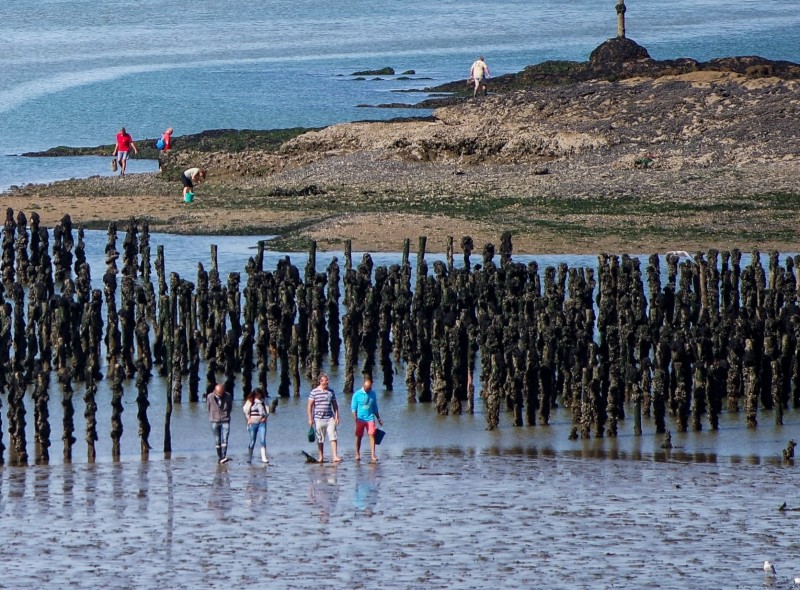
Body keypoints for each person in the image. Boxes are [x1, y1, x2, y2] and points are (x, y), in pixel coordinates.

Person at [307, 373, 342, 463]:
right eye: (325, 380)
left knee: (333, 437)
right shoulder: (314, 392)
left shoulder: (331, 391)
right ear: (320, 381)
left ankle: (334, 456)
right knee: (320, 438)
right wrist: (310, 418)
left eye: (327, 380)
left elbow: (335, 405)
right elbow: (309, 406)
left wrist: (337, 416)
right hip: (318, 418)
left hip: (330, 418)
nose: (327, 382)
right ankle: (320, 457)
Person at [351, 376, 383, 462]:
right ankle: (357, 453)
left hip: (370, 418)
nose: (368, 390)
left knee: (372, 435)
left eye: (369, 388)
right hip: (360, 419)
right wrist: (356, 419)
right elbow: (353, 409)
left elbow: (375, 407)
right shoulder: (357, 394)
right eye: (366, 388)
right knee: (359, 436)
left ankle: (373, 455)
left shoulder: (373, 393)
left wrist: (379, 419)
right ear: (363, 386)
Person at [207, 383, 233, 464]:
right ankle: (219, 456)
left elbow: (230, 407)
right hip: (214, 420)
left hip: (225, 419)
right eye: (218, 393)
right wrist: (212, 416)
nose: (220, 395)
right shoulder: (210, 396)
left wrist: (226, 415)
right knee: (217, 439)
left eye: (222, 393)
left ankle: (224, 456)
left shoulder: (228, 396)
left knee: (225, 438)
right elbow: (208, 407)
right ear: (215, 391)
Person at [243, 387, 270, 464]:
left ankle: (264, 457)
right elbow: (245, 410)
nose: (258, 396)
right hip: (253, 423)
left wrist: (265, 417)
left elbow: (267, 411)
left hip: (262, 422)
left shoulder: (264, 400)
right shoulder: (250, 401)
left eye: (259, 395)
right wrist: (248, 419)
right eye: (257, 395)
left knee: (263, 440)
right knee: (252, 441)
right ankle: (249, 457)